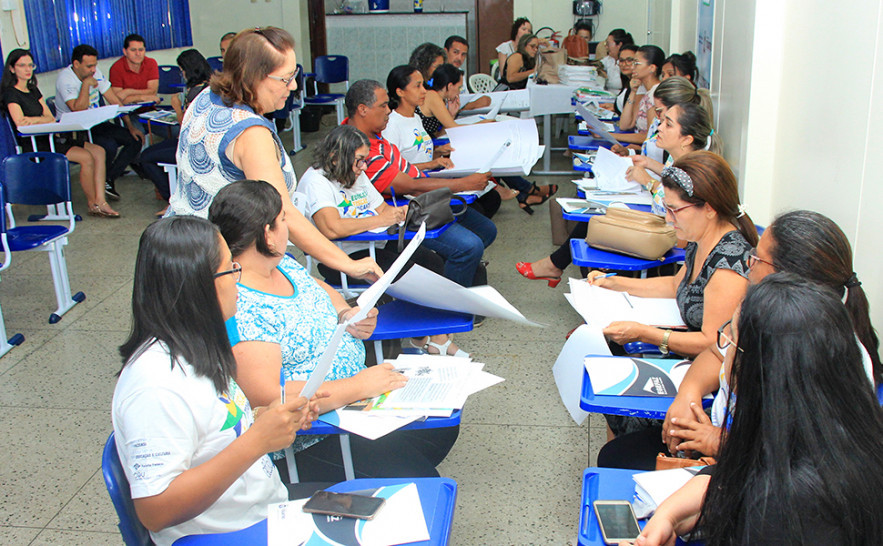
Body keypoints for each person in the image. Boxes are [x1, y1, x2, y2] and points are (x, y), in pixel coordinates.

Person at [210, 180, 461, 480]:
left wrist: (345, 312)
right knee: (422, 482)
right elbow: (269, 398)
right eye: (283, 220)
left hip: (352, 405)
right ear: (267, 233)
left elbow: (316, 285)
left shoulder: (279, 265)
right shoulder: (243, 307)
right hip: (313, 437)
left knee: (445, 422)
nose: (288, 228)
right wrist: (358, 387)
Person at [625, 274, 883, 546]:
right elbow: (734, 473)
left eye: (731, 338)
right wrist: (669, 514)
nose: (723, 349)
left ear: (762, 371)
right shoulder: (837, 435)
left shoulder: (782, 508)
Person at [112, 216, 322, 546]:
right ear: (199, 285)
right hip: (229, 535)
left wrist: (263, 422)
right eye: (230, 269)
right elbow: (155, 510)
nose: (238, 280)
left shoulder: (196, 346)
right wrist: (258, 441)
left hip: (266, 511)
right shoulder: (155, 385)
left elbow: (214, 433)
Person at [655, 210, 882, 460]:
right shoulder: (765, 319)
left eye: (757, 259)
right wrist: (689, 393)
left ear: (786, 278)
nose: (748, 266)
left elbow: (801, 459)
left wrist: (720, 443)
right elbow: (716, 353)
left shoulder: (826, 357)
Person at [171, 27, 381, 282]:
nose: (293, 86)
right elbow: (284, 213)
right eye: (285, 78)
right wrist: (348, 264)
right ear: (253, 76)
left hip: (182, 245)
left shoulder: (206, 97)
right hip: (222, 262)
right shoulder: (250, 134)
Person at [516, 77, 716, 284]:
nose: (658, 126)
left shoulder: (695, 167)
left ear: (686, 138)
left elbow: (672, 206)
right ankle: (559, 266)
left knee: (597, 226)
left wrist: (647, 180)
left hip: (665, 232)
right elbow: (670, 177)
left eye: (666, 122)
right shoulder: (681, 157)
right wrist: (646, 163)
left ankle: (562, 268)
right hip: (659, 221)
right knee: (596, 222)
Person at [300, 125, 467, 357]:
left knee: (432, 263)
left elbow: (383, 210)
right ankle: (432, 340)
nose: (364, 167)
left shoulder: (354, 173)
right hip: (341, 257)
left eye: (365, 160)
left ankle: (426, 337)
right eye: (359, 160)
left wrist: (400, 214)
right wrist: (380, 219)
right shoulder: (317, 181)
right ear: (335, 157)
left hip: (373, 245)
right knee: (408, 277)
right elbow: (331, 228)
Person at [587, 151, 757, 358]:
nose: (668, 218)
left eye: (674, 209)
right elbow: (676, 284)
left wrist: (646, 333)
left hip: (705, 364)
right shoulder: (702, 238)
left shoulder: (729, 265)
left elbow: (714, 343)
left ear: (710, 209)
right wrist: (615, 284)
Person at [344, 79, 496, 289]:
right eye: (383, 105)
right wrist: (463, 183)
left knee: (486, 230)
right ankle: (448, 306)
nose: (389, 110)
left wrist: (434, 164)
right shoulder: (359, 148)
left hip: (416, 200)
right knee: (468, 247)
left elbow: (407, 171)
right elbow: (409, 186)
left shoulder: (376, 136)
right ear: (362, 109)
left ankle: (453, 273)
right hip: (402, 213)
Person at [410, 63, 555, 214]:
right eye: (458, 88)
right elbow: (452, 130)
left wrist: (452, 115)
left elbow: (440, 131)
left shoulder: (439, 98)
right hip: (429, 149)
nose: (459, 92)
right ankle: (524, 190)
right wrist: (483, 123)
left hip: (433, 144)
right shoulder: (433, 96)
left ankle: (525, 190)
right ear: (449, 85)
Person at [1, 49, 118, 218]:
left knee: (98, 151)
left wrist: (34, 119)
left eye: (30, 65)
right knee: (86, 157)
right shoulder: (11, 94)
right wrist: (40, 119)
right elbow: (20, 122)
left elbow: (50, 117)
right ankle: (93, 203)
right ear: (12, 69)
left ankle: (101, 200)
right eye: (22, 66)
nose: (27, 70)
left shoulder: (33, 90)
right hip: (34, 142)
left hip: (51, 136)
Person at [384, 64, 508, 217]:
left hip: (430, 177)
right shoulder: (392, 125)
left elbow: (418, 153)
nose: (424, 90)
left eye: (423, 84)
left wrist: (437, 153)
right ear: (400, 91)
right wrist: (431, 163)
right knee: (479, 211)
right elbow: (392, 172)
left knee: (491, 199)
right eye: (417, 86)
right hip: (415, 189)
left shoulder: (415, 118)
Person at [55, 44, 144, 201]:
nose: (93, 70)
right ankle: (101, 184)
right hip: (76, 128)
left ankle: (108, 178)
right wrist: (86, 85)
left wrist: (130, 126)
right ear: (76, 64)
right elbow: (77, 109)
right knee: (108, 146)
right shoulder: (65, 79)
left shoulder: (96, 73)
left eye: (95, 65)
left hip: (97, 122)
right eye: (89, 66)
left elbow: (113, 99)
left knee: (134, 140)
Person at [138, 49, 211, 216]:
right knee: (153, 152)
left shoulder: (195, 92)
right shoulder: (210, 85)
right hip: (200, 142)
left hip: (192, 147)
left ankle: (173, 199)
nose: (182, 74)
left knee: (146, 157)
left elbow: (185, 123)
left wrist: (177, 107)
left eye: (182, 70)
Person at [616, 45, 664, 139]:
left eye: (636, 63)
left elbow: (650, 136)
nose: (633, 67)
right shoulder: (646, 91)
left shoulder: (656, 94)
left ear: (652, 68)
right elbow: (625, 125)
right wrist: (633, 92)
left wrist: (610, 136)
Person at [442, 35, 491, 112]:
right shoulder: (439, 74)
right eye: (455, 52)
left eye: (463, 54)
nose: (459, 58)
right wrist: (474, 105)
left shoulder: (460, 72)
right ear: (445, 51)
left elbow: (465, 98)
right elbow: (445, 108)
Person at [109, 34, 160, 105]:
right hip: (127, 112)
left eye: (141, 50)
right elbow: (117, 99)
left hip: (149, 109)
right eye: (133, 50)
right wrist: (143, 97)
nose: (138, 53)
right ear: (125, 51)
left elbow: (152, 92)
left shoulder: (151, 63)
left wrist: (128, 92)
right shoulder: (116, 68)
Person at [599, 44, 643, 116]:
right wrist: (614, 107)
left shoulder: (639, 86)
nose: (624, 64)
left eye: (629, 60)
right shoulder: (627, 82)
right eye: (621, 60)